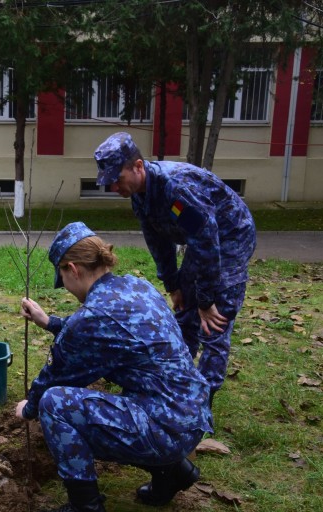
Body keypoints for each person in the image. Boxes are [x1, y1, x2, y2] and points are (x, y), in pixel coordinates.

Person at [16, 222, 213, 512]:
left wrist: (29, 408)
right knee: (136, 392)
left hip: (167, 429)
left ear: (73, 269)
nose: (65, 286)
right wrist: (49, 321)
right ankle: (172, 472)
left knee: (56, 403)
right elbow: (104, 331)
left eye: (62, 279)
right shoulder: (137, 286)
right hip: (190, 415)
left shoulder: (93, 318)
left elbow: (56, 372)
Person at [94, 132, 256, 409]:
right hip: (203, 241)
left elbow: (207, 241)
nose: (113, 187)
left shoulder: (177, 191)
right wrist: (174, 285)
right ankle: (175, 385)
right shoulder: (139, 195)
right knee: (185, 314)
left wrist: (205, 301)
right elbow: (157, 240)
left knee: (214, 320)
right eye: (108, 182)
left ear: (138, 167)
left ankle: (200, 408)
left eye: (117, 179)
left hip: (230, 238)